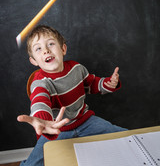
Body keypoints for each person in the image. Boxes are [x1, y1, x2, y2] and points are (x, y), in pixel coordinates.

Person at [17, 25, 127, 166]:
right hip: (56, 130)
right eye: (38, 48)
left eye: (51, 44)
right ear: (34, 61)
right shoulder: (40, 82)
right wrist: (42, 119)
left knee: (124, 136)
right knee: (33, 164)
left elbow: (92, 84)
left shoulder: (77, 68)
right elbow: (39, 101)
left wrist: (108, 83)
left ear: (63, 49)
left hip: (85, 122)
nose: (46, 50)